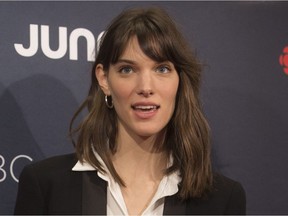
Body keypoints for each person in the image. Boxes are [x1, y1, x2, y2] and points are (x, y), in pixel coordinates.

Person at [14, 7, 246, 215]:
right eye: (127, 69)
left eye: (162, 69)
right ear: (104, 79)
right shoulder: (45, 184)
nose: (146, 87)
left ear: (180, 80)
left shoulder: (223, 199)